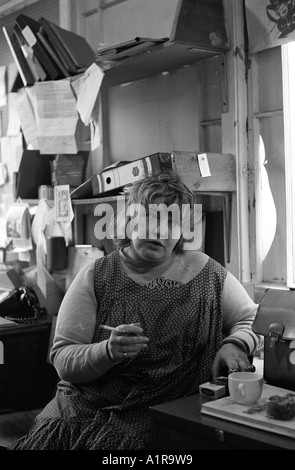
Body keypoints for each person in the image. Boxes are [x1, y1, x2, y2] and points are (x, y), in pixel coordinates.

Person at [9, 170, 262, 450]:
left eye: (171, 221)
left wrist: (236, 344)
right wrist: (106, 352)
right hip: (83, 412)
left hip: (166, 414)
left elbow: (252, 318)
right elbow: (63, 358)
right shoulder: (96, 276)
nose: (159, 230)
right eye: (150, 217)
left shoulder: (207, 272)